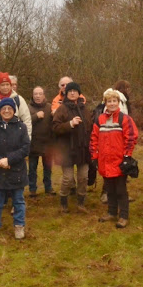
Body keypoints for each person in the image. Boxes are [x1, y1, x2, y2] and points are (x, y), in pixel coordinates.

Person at [0, 97, 30, 240]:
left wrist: (9, 160)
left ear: (14, 111)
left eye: (10, 108)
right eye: (4, 108)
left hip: (16, 171)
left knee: (18, 201)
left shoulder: (22, 127)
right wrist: (0, 161)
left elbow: (25, 148)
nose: (7, 110)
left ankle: (19, 226)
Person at [91, 89, 138, 229]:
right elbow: (94, 139)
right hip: (104, 161)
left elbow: (131, 138)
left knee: (121, 190)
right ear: (105, 103)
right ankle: (111, 212)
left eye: (114, 101)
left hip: (119, 161)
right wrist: (94, 157)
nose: (112, 103)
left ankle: (123, 216)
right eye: (109, 101)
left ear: (118, 103)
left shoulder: (125, 119)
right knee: (109, 189)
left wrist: (127, 156)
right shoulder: (100, 119)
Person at [52, 82, 93, 213]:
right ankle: (63, 202)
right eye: (70, 91)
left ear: (79, 93)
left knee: (83, 177)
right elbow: (55, 127)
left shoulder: (84, 108)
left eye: (75, 91)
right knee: (68, 179)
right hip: (67, 149)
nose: (73, 93)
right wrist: (70, 124)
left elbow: (90, 127)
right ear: (66, 93)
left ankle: (81, 202)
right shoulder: (62, 109)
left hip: (83, 149)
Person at [27, 86, 55, 197]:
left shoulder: (50, 107)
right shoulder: (28, 108)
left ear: (44, 95)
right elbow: (24, 122)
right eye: (35, 94)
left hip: (47, 143)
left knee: (48, 168)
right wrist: (35, 116)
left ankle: (48, 187)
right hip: (33, 144)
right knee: (32, 169)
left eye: (40, 94)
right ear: (32, 95)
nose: (38, 96)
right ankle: (32, 189)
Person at [0, 72, 31, 140]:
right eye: (2, 85)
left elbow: (27, 120)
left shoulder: (18, 99)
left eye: (7, 84)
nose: (5, 87)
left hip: (16, 140)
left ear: (10, 86)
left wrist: (27, 139)